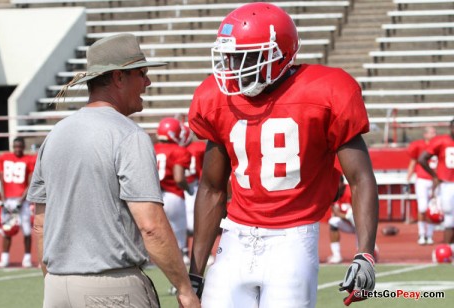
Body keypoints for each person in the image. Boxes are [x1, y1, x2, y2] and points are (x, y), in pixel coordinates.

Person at [187, 3, 379, 307]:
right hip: (234, 236)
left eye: (245, 57)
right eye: (230, 57)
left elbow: (360, 178)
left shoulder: (327, 90)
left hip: (294, 237)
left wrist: (365, 251)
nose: (235, 67)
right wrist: (195, 272)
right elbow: (211, 188)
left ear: (279, 54)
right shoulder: (215, 96)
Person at [27, 34, 200, 308]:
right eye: (142, 73)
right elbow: (150, 226)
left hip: (57, 286)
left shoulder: (55, 135)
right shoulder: (128, 134)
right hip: (111, 285)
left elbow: (40, 224)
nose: (148, 82)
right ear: (119, 77)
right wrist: (184, 289)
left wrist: (54, 281)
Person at [154, 117, 192, 264]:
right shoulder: (179, 150)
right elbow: (179, 178)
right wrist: (188, 189)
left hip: (154, 196)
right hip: (173, 195)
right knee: (178, 238)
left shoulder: (152, 148)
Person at [0, 137, 35, 268]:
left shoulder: (28, 160)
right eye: (15, 146)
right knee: (7, 229)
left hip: (22, 202)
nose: (17, 149)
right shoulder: (4, 158)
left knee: (27, 231)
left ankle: (27, 258)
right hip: (8, 201)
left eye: (20, 146)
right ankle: (5, 258)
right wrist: (3, 200)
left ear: (23, 147)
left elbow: (30, 183)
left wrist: (21, 200)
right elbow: (1, 181)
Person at [419, 119, 454, 254]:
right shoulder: (442, 141)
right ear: (451, 128)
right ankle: (447, 248)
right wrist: (434, 175)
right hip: (447, 185)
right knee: (450, 218)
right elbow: (422, 158)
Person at [406, 126, 437, 245]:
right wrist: (408, 177)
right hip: (422, 179)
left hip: (435, 180)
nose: (434, 134)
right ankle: (421, 233)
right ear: (425, 134)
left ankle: (429, 234)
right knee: (423, 207)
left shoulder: (439, 145)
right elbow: (413, 161)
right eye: (432, 132)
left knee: (433, 209)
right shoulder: (419, 145)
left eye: (435, 132)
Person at [327, 175, 356, 264]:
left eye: (335, 183)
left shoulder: (351, 192)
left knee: (364, 255)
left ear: (342, 183)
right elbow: (336, 212)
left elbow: (361, 212)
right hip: (347, 223)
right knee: (333, 222)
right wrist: (346, 216)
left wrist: (349, 216)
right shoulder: (333, 193)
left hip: (360, 225)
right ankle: (337, 255)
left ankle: (370, 250)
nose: (333, 185)